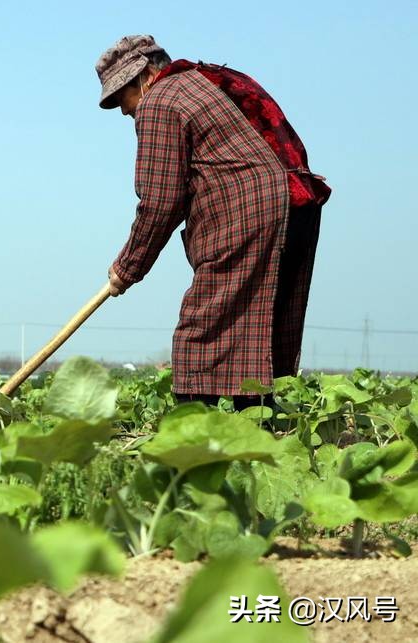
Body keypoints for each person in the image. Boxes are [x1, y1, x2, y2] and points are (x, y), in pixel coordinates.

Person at [95, 35, 330, 409]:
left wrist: (127, 267)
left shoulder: (160, 100)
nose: (124, 111)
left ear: (142, 75)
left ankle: (194, 428)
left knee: (201, 332)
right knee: (255, 330)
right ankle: (257, 424)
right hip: (295, 208)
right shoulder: (204, 82)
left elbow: (160, 200)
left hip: (248, 214)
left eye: (121, 97)